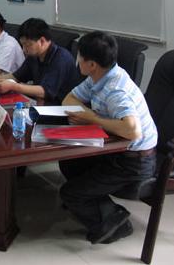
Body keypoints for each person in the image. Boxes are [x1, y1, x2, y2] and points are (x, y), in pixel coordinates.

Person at [59, 31, 157, 244]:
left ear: (91, 64)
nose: (77, 60)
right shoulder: (99, 77)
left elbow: (132, 130)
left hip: (134, 162)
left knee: (70, 193)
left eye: (80, 56)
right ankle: (95, 203)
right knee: (68, 162)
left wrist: (92, 118)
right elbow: (69, 99)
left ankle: (116, 221)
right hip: (117, 149)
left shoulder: (115, 90)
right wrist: (90, 117)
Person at [0, 18, 79, 104]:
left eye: (27, 45)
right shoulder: (34, 56)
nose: (24, 49)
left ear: (42, 41)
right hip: (39, 103)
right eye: (22, 45)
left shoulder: (61, 58)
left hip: (60, 109)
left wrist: (13, 86)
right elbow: (14, 77)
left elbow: (44, 91)